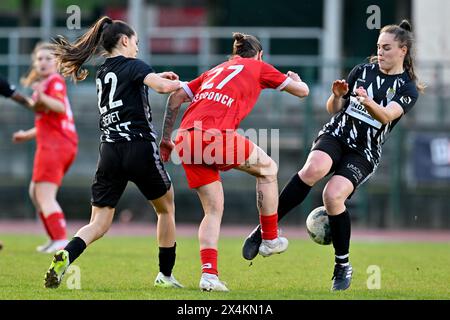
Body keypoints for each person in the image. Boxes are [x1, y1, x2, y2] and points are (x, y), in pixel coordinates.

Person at [242, 20, 424, 291]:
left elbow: (386, 116)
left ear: (403, 50)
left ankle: (342, 265)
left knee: (333, 195)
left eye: (387, 48)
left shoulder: (407, 87)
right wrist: (337, 95)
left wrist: (367, 101)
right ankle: (264, 231)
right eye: (378, 47)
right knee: (312, 170)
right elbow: (333, 108)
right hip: (336, 135)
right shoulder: (362, 71)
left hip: (364, 151)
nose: (381, 52)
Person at [159, 32, 309, 291]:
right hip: (214, 137)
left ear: (235, 55)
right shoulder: (259, 66)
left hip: (184, 138)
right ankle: (270, 239)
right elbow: (303, 92)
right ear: (259, 55)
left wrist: (165, 139)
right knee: (269, 169)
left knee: (213, 210)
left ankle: (209, 275)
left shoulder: (215, 70)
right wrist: (296, 80)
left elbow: (175, 98)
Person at [43, 16, 184, 289]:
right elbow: (163, 88)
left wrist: (153, 77)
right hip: (138, 146)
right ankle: (165, 276)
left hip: (109, 151)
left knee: (99, 222)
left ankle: (67, 254)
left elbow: (138, 84)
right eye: (136, 43)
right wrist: (188, 85)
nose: (138, 49)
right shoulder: (134, 65)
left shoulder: (103, 72)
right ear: (124, 40)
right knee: (166, 209)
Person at [12, 43, 78, 254]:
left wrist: (42, 98)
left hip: (56, 145)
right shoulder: (45, 84)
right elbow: (49, 122)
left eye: (48, 58)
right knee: (36, 192)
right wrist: (27, 134)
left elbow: (58, 107)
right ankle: (54, 239)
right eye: (39, 59)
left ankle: (60, 240)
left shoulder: (54, 81)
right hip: (59, 143)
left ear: (57, 63)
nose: (42, 62)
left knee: (44, 194)